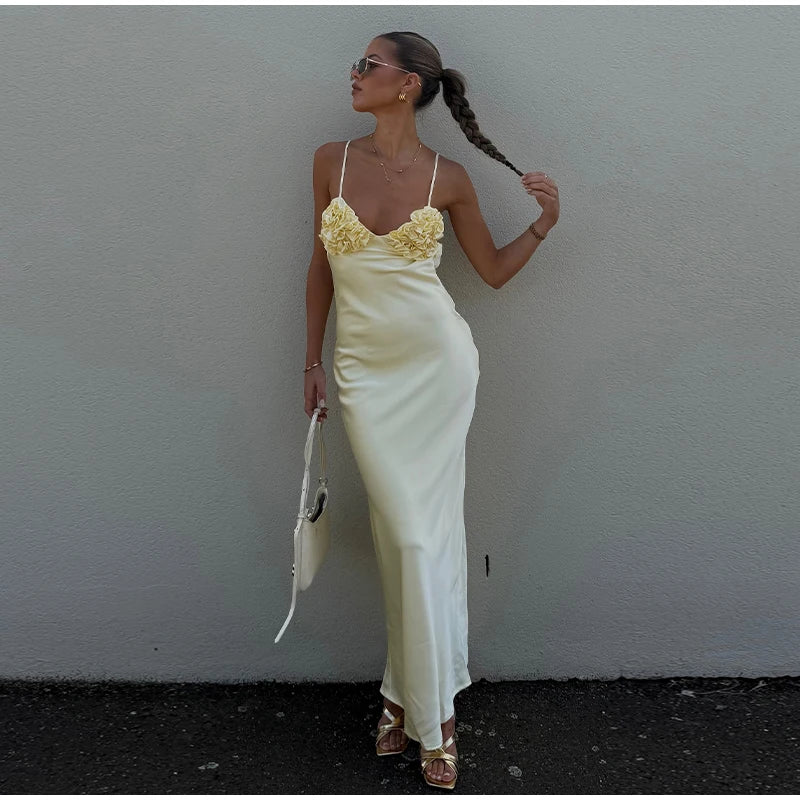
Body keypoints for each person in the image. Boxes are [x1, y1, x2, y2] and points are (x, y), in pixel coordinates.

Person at [303, 31, 560, 790]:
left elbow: (492, 272)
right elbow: (320, 266)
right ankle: (409, 694)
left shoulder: (450, 177)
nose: (353, 73)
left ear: (408, 84)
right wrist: (311, 362)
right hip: (363, 376)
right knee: (405, 537)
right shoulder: (329, 161)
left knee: (421, 538)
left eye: (368, 64)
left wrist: (543, 224)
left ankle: (427, 712)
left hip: (438, 370)